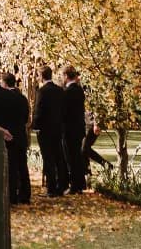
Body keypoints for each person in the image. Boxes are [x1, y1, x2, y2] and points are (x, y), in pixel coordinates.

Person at [0, 71, 31, 205]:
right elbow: (26, 117)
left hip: (9, 135)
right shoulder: (22, 98)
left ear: (4, 83)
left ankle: (12, 195)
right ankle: (25, 194)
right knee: (22, 166)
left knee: (11, 166)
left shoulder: (4, 96)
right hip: (20, 134)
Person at [33, 64, 67, 196]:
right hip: (57, 128)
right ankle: (61, 186)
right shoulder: (60, 90)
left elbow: (39, 111)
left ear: (42, 76)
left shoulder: (42, 91)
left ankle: (51, 188)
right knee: (58, 157)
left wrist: (35, 126)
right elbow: (63, 110)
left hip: (45, 129)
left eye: (38, 76)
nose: (38, 78)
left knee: (48, 158)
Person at [62, 66, 87, 194]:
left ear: (66, 76)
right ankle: (80, 184)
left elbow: (64, 111)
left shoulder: (67, 92)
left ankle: (74, 185)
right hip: (79, 127)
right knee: (77, 156)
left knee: (71, 157)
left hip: (69, 128)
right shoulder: (79, 90)